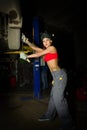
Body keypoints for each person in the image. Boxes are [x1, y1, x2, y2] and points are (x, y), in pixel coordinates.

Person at [22, 32, 76, 130]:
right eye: (43, 41)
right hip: (55, 77)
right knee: (53, 97)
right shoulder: (46, 51)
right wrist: (27, 42)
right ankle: (49, 115)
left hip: (60, 75)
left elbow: (38, 54)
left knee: (58, 99)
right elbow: (35, 49)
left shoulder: (52, 48)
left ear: (51, 41)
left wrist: (27, 56)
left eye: (47, 40)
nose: (45, 42)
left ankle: (69, 124)